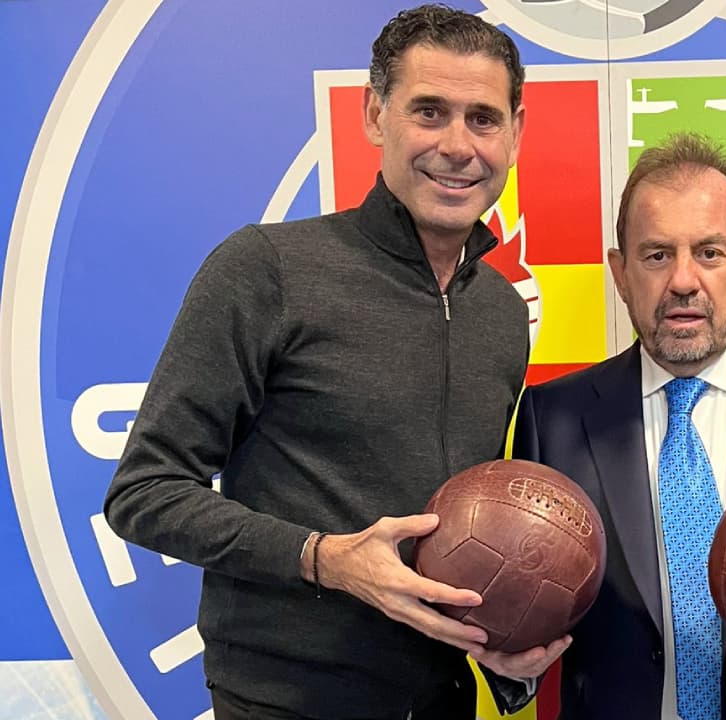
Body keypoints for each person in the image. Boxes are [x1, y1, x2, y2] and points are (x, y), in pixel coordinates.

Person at [103, 5, 564, 719]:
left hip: (440, 700)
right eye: (429, 112)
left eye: (482, 118)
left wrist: (502, 649)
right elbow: (144, 491)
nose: (457, 145)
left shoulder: (503, 311)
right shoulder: (266, 269)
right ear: (375, 116)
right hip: (282, 701)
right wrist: (323, 557)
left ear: (517, 132)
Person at [511, 132, 726, 719]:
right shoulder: (554, 418)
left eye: (710, 252)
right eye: (656, 254)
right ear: (620, 274)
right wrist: (511, 666)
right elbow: (525, 620)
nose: (682, 280)